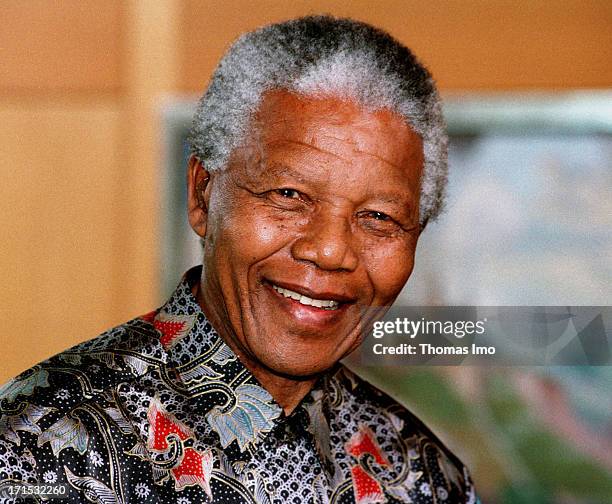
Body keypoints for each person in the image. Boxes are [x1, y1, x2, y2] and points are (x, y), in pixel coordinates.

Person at [0, 15, 478, 504]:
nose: (331, 251)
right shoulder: (38, 451)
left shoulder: (426, 477)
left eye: (379, 217)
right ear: (203, 195)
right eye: (288, 194)